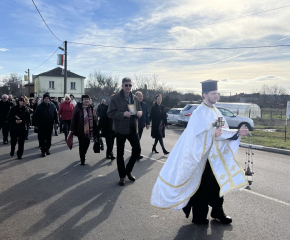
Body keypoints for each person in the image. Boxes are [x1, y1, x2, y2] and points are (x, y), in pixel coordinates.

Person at [151, 80, 250, 225]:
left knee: (217, 184)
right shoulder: (198, 113)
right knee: (201, 187)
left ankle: (217, 212)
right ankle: (199, 216)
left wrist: (237, 132)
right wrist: (211, 134)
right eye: (213, 94)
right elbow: (193, 137)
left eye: (217, 93)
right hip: (201, 158)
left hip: (215, 158)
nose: (217, 96)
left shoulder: (216, 111)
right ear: (205, 95)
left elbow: (222, 132)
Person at [107, 77, 142, 186]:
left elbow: (138, 109)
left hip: (132, 127)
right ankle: (122, 176)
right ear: (122, 86)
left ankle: (128, 171)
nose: (128, 87)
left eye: (130, 85)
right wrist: (122, 114)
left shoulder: (134, 98)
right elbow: (110, 113)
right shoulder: (116, 98)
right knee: (120, 154)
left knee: (137, 150)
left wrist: (140, 112)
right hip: (121, 129)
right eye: (126, 85)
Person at [70, 94, 99, 165]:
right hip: (80, 129)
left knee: (87, 143)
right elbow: (73, 118)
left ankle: (83, 153)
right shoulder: (78, 107)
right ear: (82, 100)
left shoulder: (91, 108)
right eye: (85, 99)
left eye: (87, 99)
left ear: (89, 100)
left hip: (90, 130)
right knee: (81, 144)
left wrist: (97, 128)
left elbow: (95, 118)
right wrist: (72, 129)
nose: (86, 100)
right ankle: (82, 157)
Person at [33, 93, 59, 157]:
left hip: (49, 125)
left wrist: (56, 122)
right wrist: (35, 125)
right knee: (41, 138)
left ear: (49, 99)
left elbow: (55, 115)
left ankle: (47, 149)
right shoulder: (40, 106)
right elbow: (36, 116)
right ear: (43, 99)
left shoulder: (53, 106)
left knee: (48, 138)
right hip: (41, 125)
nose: (46, 99)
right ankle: (43, 150)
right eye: (45, 98)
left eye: (47, 98)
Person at [99, 95, 116, 160]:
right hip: (107, 128)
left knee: (112, 141)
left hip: (114, 128)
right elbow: (102, 118)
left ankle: (108, 154)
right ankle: (111, 153)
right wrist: (99, 128)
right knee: (109, 142)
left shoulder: (116, 108)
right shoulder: (106, 107)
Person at [135, 91, 150, 160]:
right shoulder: (133, 104)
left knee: (138, 139)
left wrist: (147, 123)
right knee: (136, 140)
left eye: (142, 96)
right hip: (135, 125)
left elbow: (146, 114)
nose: (141, 97)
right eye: (139, 96)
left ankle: (135, 153)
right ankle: (137, 154)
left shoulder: (144, 104)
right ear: (136, 97)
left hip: (141, 125)